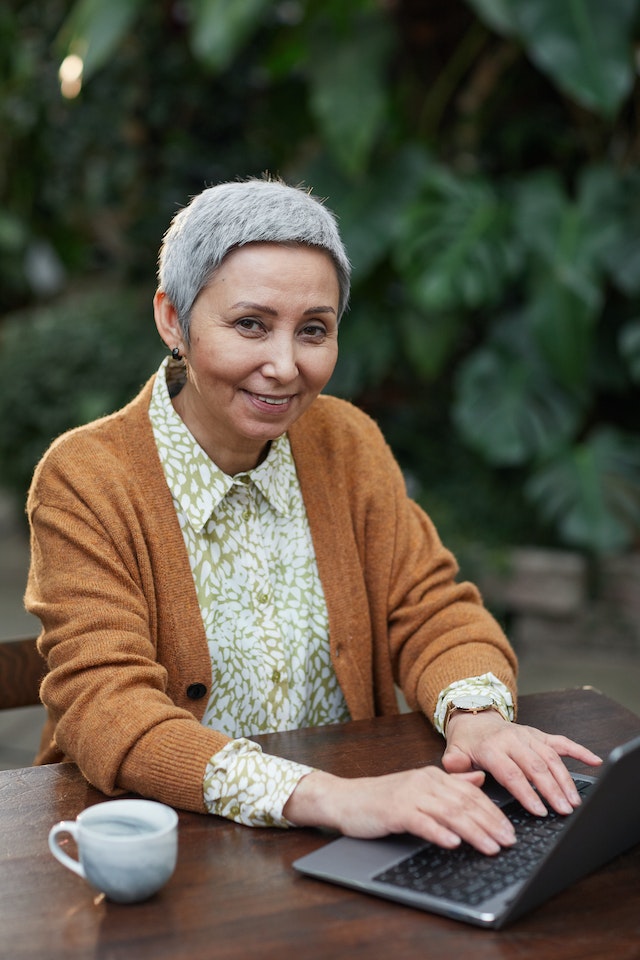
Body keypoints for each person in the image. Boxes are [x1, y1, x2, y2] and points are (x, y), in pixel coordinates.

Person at [26, 177, 600, 857]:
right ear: (172, 319)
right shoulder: (85, 478)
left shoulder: (346, 441)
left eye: (314, 331)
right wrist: (328, 796)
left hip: (359, 837)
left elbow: (430, 607)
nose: (284, 366)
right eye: (250, 324)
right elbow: (105, 707)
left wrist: (477, 719)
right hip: (166, 850)